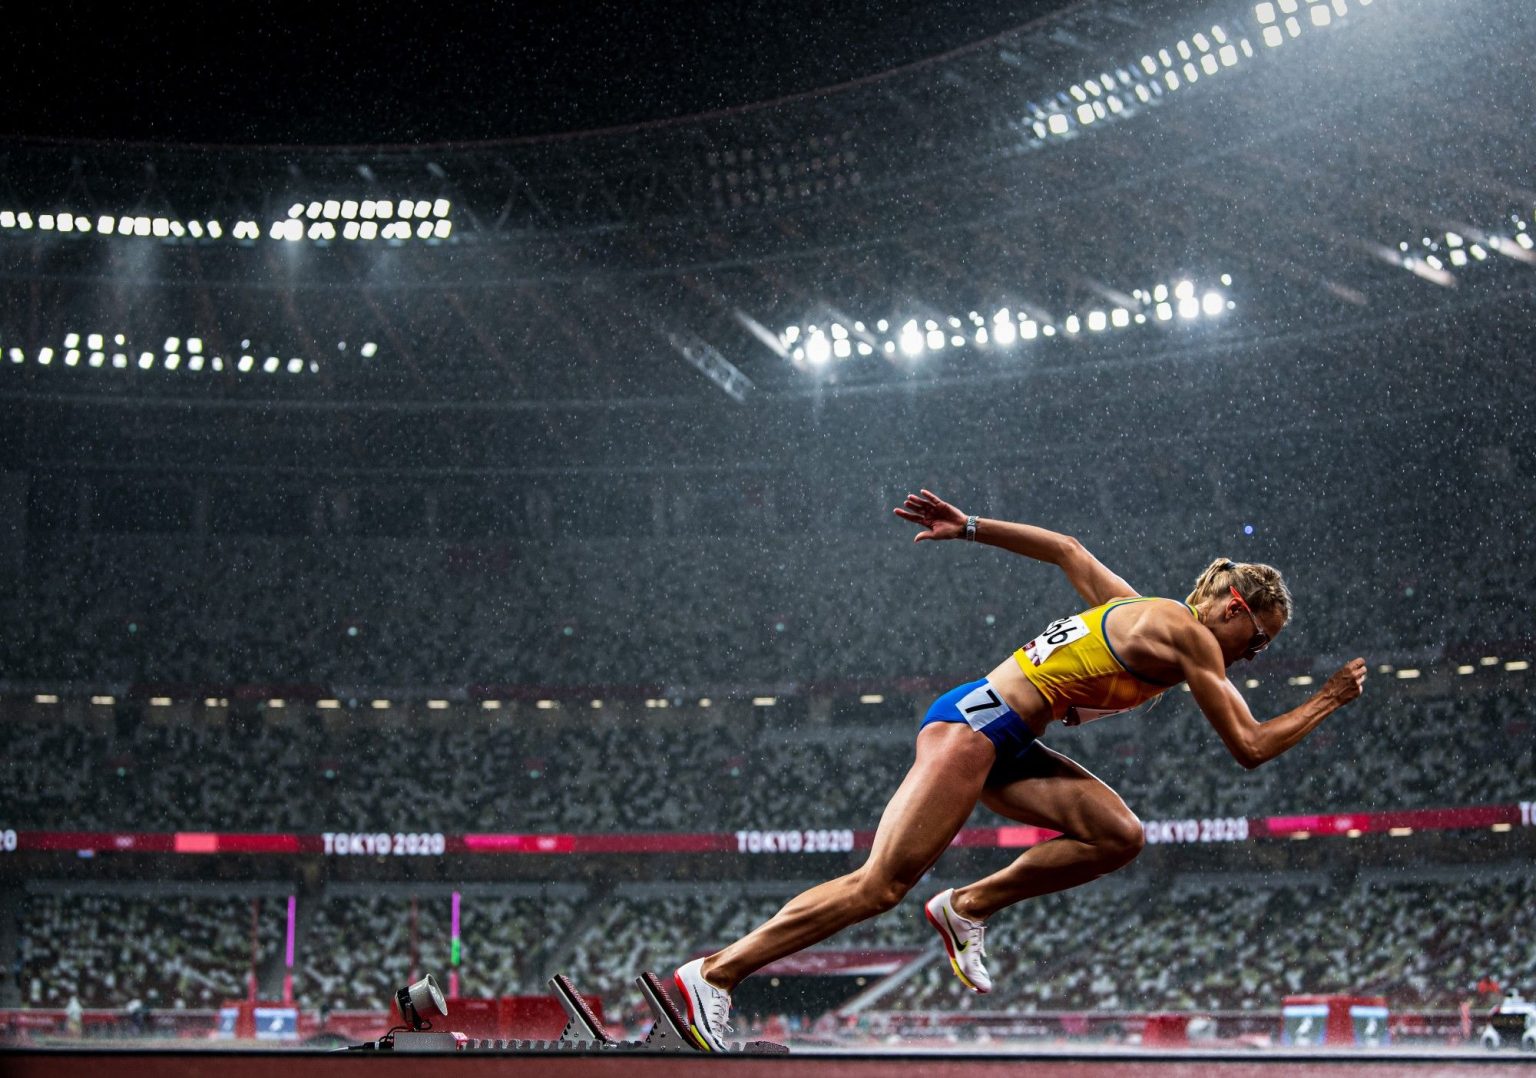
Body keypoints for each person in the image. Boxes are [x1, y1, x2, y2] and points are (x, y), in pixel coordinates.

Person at [673, 489, 1367, 1051]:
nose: (1253, 654)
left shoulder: (1136, 609)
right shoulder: (1188, 635)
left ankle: (966, 906)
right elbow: (1247, 745)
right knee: (878, 886)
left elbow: (1067, 549)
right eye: (1261, 637)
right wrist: (1329, 699)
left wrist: (971, 524)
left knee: (1119, 835)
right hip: (973, 728)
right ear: (1232, 607)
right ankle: (715, 974)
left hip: (1005, 741)